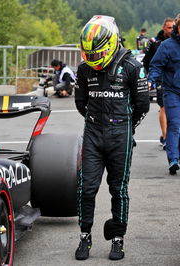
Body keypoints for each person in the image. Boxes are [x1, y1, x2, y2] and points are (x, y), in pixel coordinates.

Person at [75, 15, 150, 261]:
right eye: (89, 54)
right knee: (86, 189)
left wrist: (126, 126)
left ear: (109, 45)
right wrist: (97, 121)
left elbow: (142, 105)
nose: (92, 59)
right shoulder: (84, 69)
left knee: (118, 189)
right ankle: (85, 236)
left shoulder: (132, 66)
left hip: (121, 134)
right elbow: (80, 102)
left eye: (96, 54)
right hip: (93, 133)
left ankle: (118, 239)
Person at [148, 14, 180, 175]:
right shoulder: (167, 46)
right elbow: (156, 65)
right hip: (173, 91)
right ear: (178, 28)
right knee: (174, 124)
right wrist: (150, 81)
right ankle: (173, 159)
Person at [143, 18, 175, 149]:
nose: (171, 30)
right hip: (160, 78)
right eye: (169, 28)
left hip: (174, 78)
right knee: (163, 107)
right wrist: (151, 78)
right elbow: (147, 61)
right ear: (163, 28)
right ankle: (166, 136)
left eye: (173, 27)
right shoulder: (155, 42)